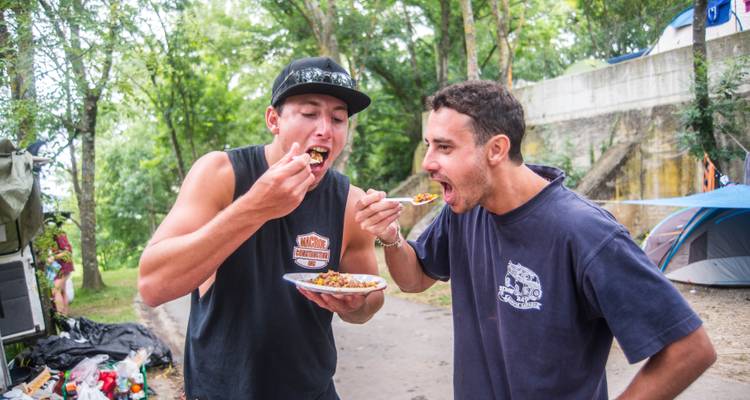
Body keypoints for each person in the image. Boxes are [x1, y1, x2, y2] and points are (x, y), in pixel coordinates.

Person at [355, 80, 716, 399]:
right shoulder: (464, 211)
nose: (428, 163)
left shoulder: (585, 231)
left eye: (445, 148)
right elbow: (415, 279)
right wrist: (390, 238)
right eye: (428, 145)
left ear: (496, 149)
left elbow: (690, 348)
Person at [138, 56, 383, 400]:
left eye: (338, 118)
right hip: (219, 391)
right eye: (309, 113)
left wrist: (354, 306)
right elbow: (152, 285)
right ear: (274, 120)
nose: (325, 129)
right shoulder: (221, 174)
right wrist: (256, 206)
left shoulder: (348, 202)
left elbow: (369, 301)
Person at [50, 222, 75, 315]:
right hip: (58, 268)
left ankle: (61, 315)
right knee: (62, 290)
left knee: (55, 290)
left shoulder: (59, 234)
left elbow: (67, 251)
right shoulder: (49, 236)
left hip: (64, 266)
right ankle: (65, 315)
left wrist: (53, 257)